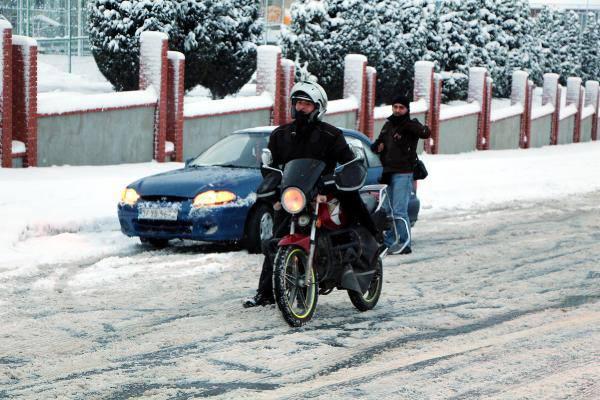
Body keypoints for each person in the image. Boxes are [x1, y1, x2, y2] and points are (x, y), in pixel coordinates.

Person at [243, 80, 378, 308]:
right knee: (277, 237)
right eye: (298, 103)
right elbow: (272, 167)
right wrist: (274, 191)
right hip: (294, 195)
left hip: (324, 191)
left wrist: (342, 176)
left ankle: (371, 248)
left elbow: (348, 162)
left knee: (353, 213)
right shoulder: (280, 135)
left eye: (307, 104)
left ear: (318, 107)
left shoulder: (331, 135)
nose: (301, 108)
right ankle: (265, 293)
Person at [371, 95, 431, 255]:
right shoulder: (388, 125)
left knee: (399, 211)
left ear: (407, 109)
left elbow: (425, 133)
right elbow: (376, 144)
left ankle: (405, 243)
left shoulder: (410, 125)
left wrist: (414, 124)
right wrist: (378, 146)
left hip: (403, 174)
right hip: (388, 173)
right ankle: (390, 241)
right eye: (395, 107)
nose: (397, 110)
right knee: (389, 211)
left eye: (401, 108)